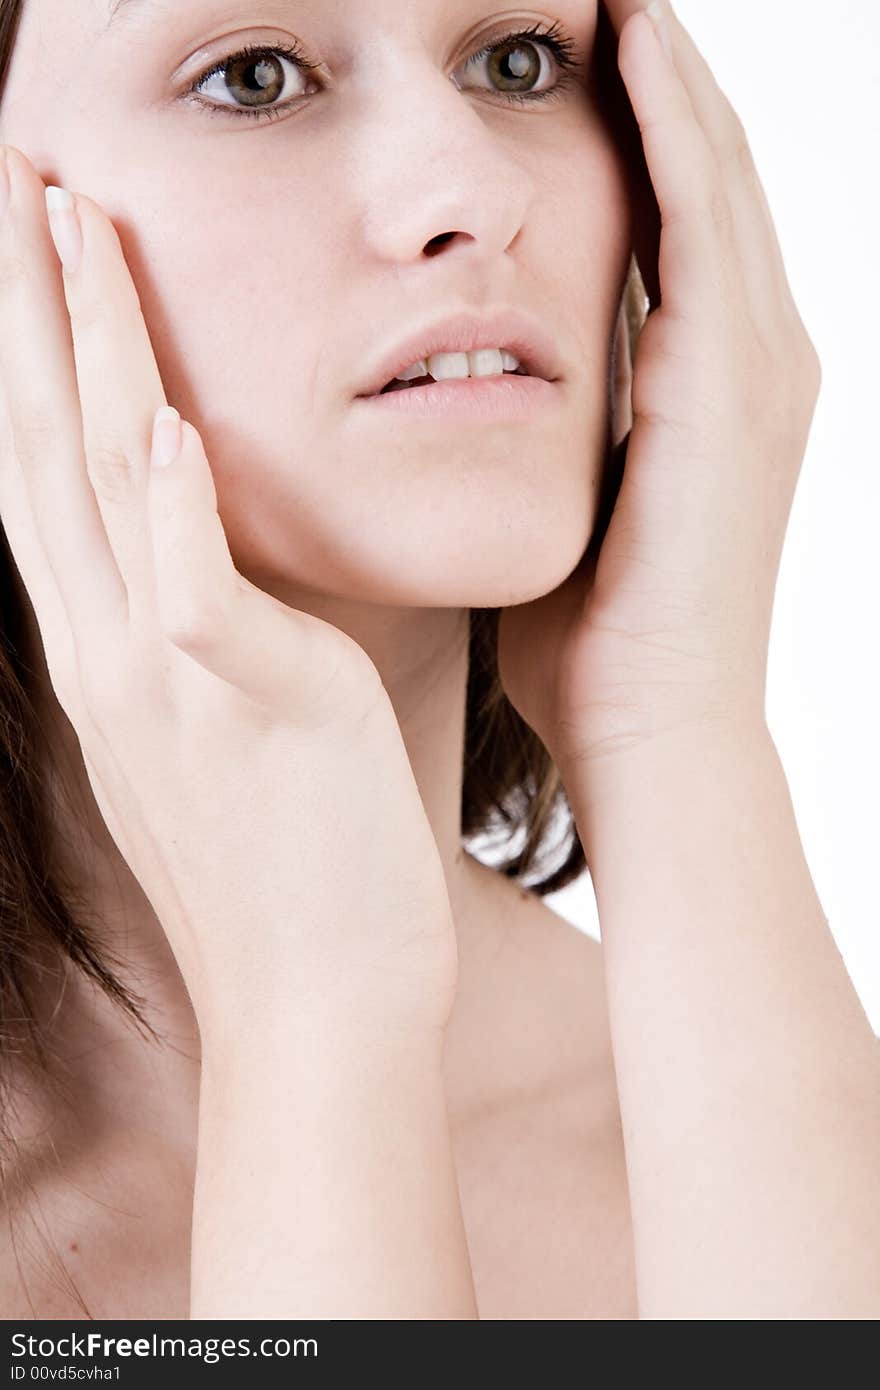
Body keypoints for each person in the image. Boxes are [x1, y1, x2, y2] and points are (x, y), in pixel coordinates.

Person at [0, 0, 876, 1321]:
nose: (475, 182)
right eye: (252, 77)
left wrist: (671, 720)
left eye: (518, 60)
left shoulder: (785, 1145)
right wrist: (313, 1011)